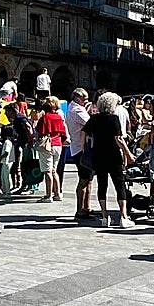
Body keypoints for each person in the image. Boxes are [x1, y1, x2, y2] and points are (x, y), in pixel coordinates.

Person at [83, 91, 135, 228]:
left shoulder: (94, 118)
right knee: (119, 184)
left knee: (102, 184)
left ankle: (105, 216)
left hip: (98, 154)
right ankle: (123, 216)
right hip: (113, 154)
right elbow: (118, 139)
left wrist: (84, 148)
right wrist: (128, 154)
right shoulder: (114, 118)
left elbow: (83, 132)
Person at [66, 88, 95, 220]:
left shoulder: (74, 107)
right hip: (81, 148)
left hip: (79, 147)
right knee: (84, 179)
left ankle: (86, 207)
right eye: (85, 98)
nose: (87, 101)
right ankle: (80, 210)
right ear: (77, 99)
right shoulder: (77, 110)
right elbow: (90, 123)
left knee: (88, 179)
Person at [34, 95, 69, 202]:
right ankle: (57, 193)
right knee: (54, 170)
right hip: (58, 145)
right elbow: (63, 133)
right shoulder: (59, 117)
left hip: (47, 146)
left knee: (47, 171)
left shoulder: (45, 118)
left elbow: (39, 131)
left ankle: (48, 195)